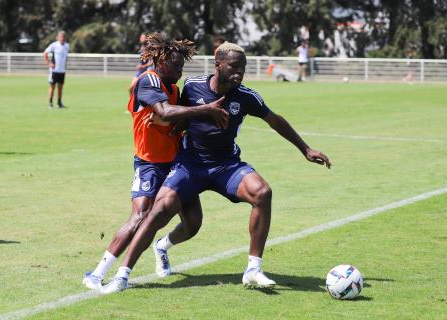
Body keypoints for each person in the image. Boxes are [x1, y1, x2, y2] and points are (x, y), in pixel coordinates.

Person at [101, 42, 331, 294]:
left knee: (262, 192)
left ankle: (253, 269)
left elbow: (275, 120)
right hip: (189, 165)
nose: (239, 73)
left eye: (242, 67)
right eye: (233, 66)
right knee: (163, 211)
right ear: (218, 64)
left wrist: (305, 149)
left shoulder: (247, 96)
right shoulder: (191, 86)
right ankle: (122, 276)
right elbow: (169, 112)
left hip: (226, 166)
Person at [82, 33, 229, 290]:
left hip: (178, 164)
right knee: (140, 216)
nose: (180, 72)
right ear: (160, 62)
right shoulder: (148, 80)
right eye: (176, 66)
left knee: (193, 223)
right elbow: (165, 112)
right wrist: (205, 110)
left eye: (183, 67)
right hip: (149, 163)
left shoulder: (173, 88)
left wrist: (178, 124)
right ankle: (97, 273)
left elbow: (178, 119)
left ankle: (162, 246)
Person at [43, 31, 69, 108]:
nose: (62, 38)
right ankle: (50, 103)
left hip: (62, 70)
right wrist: (49, 63)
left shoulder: (67, 46)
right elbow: (45, 53)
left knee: (60, 87)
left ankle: (59, 103)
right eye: (61, 37)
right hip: (54, 70)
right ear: (58, 37)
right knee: (52, 86)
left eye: (63, 37)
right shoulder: (54, 45)